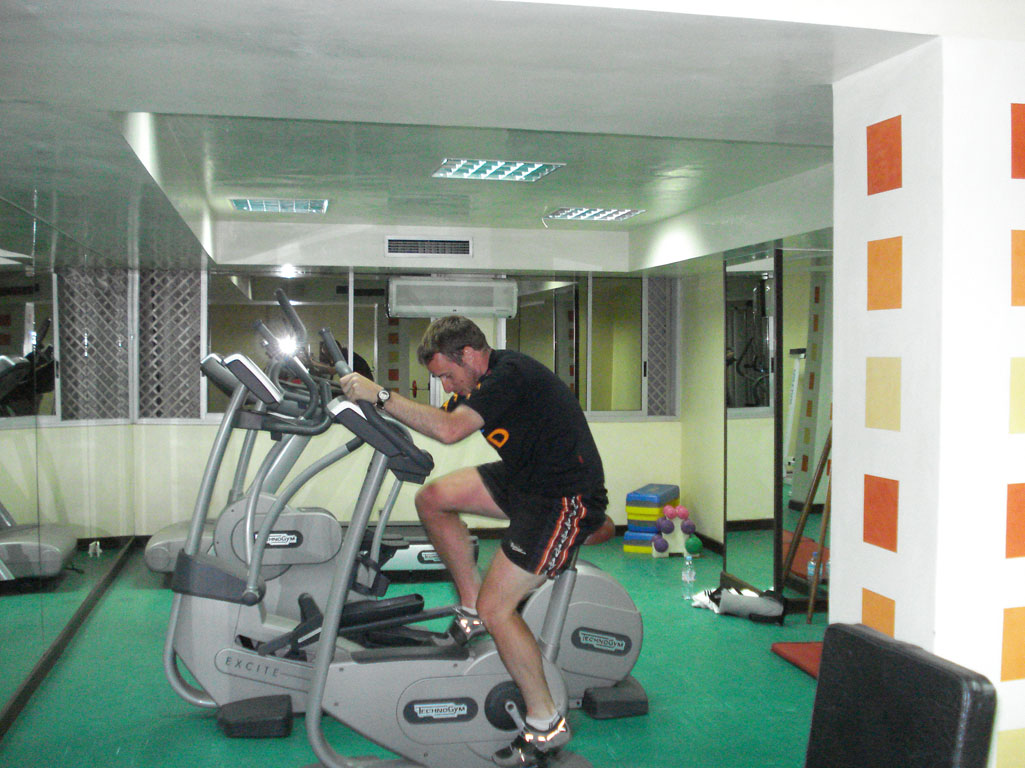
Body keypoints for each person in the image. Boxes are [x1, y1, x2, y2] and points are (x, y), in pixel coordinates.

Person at [340, 315, 607, 767]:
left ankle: (546, 722)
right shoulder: (477, 383)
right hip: (524, 480)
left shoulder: (509, 375)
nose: (446, 387)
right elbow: (435, 420)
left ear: (468, 354)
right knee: (433, 499)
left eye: (447, 375)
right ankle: (471, 611)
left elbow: (449, 431)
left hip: (562, 497)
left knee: (498, 607)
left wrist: (380, 395)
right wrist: (368, 400)